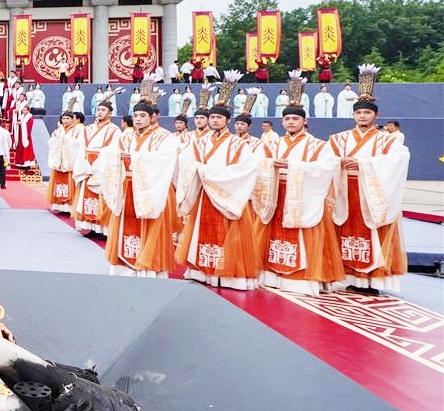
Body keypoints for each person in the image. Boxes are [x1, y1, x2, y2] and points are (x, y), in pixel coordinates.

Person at [254, 105, 343, 295]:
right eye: (287, 119)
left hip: (304, 196)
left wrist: (294, 166)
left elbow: (327, 167)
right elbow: (255, 162)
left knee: (305, 234)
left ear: (305, 121)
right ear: (282, 121)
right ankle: (271, 276)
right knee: (271, 233)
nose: (291, 122)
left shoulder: (318, 145)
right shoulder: (272, 144)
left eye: (295, 119)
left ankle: (302, 280)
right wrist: (269, 164)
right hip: (275, 194)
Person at [174, 105, 263, 289]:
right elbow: (185, 160)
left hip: (227, 196)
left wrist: (207, 172)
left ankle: (230, 276)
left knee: (229, 233)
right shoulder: (200, 142)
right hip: (204, 196)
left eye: (219, 117)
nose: (215, 120)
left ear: (227, 121)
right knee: (202, 230)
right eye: (212, 117)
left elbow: (247, 169)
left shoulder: (238, 144)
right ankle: (200, 272)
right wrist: (200, 169)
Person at [328, 95, 409, 293]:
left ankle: (373, 280)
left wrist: (364, 164)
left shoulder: (387, 140)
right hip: (344, 191)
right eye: (358, 112)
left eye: (367, 112)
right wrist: (338, 162)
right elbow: (324, 160)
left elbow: (399, 159)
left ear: (376, 115)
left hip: (371, 194)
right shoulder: (338, 139)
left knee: (372, 234)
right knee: (344, 232)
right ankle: (345, 275)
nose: (362, 116)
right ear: (353, 115)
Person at [100, 101, 180, 277]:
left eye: (142, 116)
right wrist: (115, 155)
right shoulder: (126, 136)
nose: (138, 119)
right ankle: (123, 268)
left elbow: (166, 159)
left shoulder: (164, 136)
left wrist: (134, 157)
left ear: (152, 117)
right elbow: (109, 152)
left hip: (152, 189)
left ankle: (149, 269)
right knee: (124, 225)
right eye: (135, 115)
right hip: (127, 187)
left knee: (152, 227)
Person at [71, 100, 120, 235]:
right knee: (87, 197)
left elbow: (114, 149)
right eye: (98, 109)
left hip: (102, 165)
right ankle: (91, 227)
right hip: (86, 164)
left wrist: (98, 164)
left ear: (110, 113)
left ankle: (102, 229)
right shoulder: (88, 128)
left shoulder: (114, 130)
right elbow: (81, 146)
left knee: (102, 196)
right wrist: (84, 164)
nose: (99, 112)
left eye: (103, 110)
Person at [46, 112, 80, 213]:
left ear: (72, 119)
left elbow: (78, 144)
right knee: (58, 184)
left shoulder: (77, 132)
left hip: (70, 162)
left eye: (68, 118)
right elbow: (51, 142)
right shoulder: (57, 131)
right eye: (64, 118)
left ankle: (70, 207)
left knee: (70, 183)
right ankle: (59, 205)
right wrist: (59, 139)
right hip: (59, 161)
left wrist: (65, 139)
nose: (65, 120)